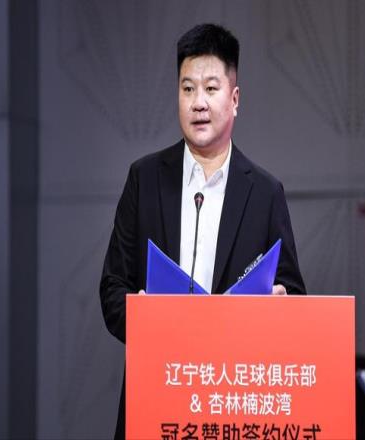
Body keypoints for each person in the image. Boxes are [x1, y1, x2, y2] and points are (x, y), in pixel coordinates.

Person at [100, 23, 306, 440]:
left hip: (231, 400)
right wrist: (143, 318)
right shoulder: (144, 179)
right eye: (187, 88)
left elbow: (293, 295)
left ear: (234, 99)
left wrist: (278, 308)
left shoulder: (265, 193)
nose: (198, 102)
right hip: (158, 392)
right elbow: (112, 287)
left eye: (211, 88)